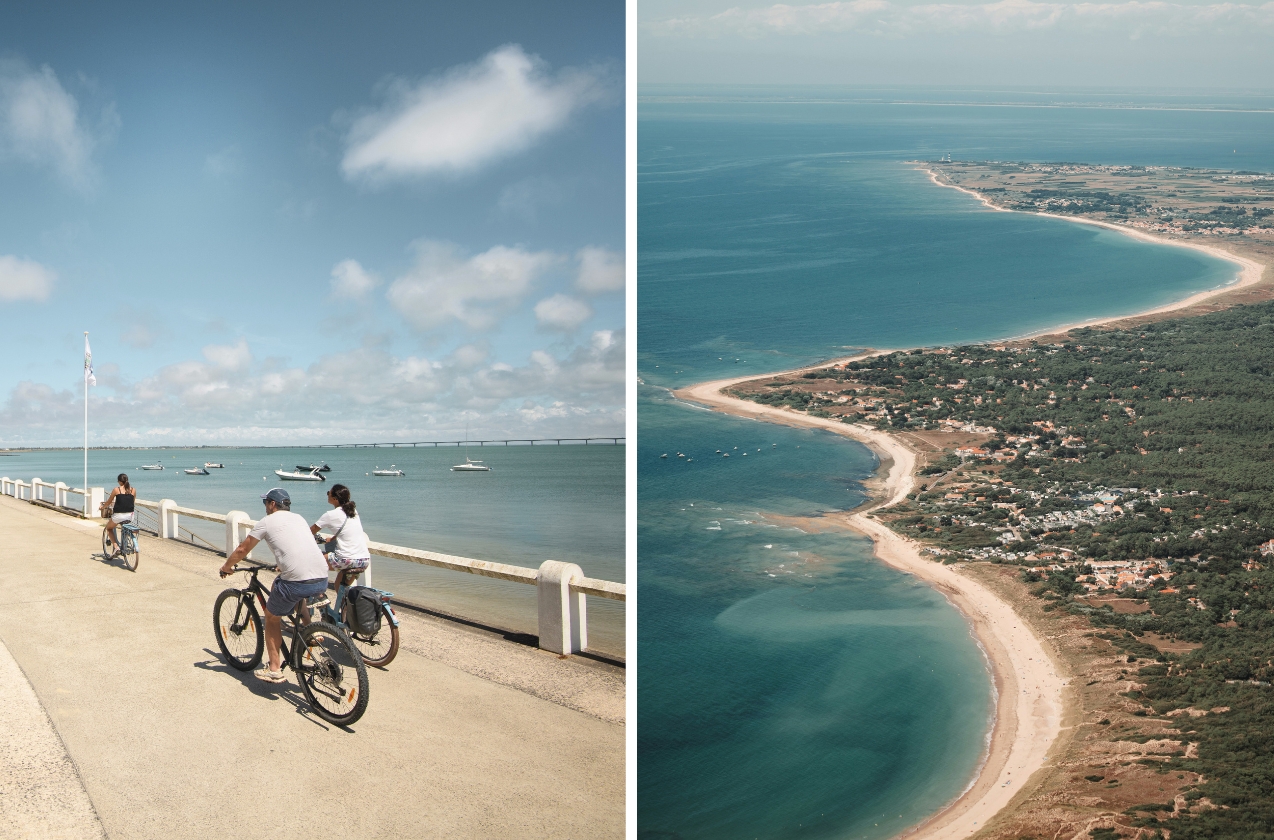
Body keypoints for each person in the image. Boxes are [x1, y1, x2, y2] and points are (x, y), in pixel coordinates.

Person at [220, 488, 329, 683]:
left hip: (297, 581)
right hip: (322, 577)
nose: (265, 507)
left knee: (271, 617)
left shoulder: (267, 522)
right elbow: (298, 545)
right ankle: (310, 630)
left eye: (266, 503)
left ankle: (274, 668)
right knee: (284, 585)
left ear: (272, 504)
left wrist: (227, 566)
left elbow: (243, 549)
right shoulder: (300, 518)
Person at [310, 484, 372, 589]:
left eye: (328, 493)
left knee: (310, 560)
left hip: (346, 559)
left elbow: (309, 532)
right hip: (363, 560)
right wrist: (332, 539)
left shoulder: (330, 515)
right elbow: (347, 530)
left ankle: (319, 594)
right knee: (340, 587)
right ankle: (346, 605)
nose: (327, 495)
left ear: (334, 498)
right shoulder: (353, 511)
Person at [100, 473, 136, 552]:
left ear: (119, 482)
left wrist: (102, 507)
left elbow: (109, 502)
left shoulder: (116, 490)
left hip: (119, 516)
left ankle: (116, 547)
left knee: (109, 528)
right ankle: (125, 544)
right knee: (124, 526)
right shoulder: (133, 490)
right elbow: (132, 502)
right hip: (130, 516)